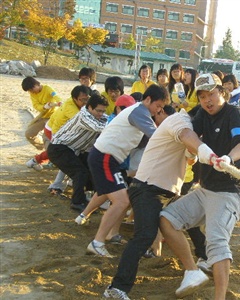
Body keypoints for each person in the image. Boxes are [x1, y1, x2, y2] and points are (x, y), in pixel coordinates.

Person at [102, 105, 214, 299]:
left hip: (167, 191)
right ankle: (116, 288)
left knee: (189, 221)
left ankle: (204, 261)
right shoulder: (180, 120)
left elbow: (189, 159)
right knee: (144, 236)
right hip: (147, 189)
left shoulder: (189, 128)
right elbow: (187, 136)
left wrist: (197, 150)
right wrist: (205, 149)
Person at [159, 73, 240, 299]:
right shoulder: (201, 114)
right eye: (202, 97)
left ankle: (220, 297)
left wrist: (229, 159)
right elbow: (185, 128)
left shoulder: (234, 113)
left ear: (222, 93)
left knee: (216, 242)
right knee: (166, 218)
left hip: (230, 191)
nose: (208, 100)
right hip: (205, 189)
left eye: (212, 94)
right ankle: (192, 270)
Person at [83, 85, 169, 258]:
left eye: (161, 108)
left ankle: (110, 234)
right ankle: (97, 242)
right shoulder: (140, 112)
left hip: (110, 159)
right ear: (148, 100)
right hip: (104, 157)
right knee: (121, 201)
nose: (158, 110)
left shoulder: (141, 113)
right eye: (158, 106)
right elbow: (156, 136)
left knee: (124, 199)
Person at [47, 94, 108, 211]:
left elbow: (106, 121)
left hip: (73, 150)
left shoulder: (101, 117)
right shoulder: (83, 115)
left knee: (92, 169)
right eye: (98, 111)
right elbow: (98, 128)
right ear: (89, 107)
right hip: (59, 148)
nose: (101, 114)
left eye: (103, 111)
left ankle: (89, 198)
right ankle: (77, 202)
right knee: (80, 173)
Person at [21, 76, 62, 154]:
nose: (31, 92)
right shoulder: (32, 94)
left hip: (53, 117)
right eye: (29, 91)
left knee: (47, 137)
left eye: (31, 89)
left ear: (36, 84)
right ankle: (42, 148)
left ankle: (50, 155)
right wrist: (44, 107)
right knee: (29, 134)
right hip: (43, 117)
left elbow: (55, 96)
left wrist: (59, 102)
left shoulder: (47, 88)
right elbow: (36, 105)